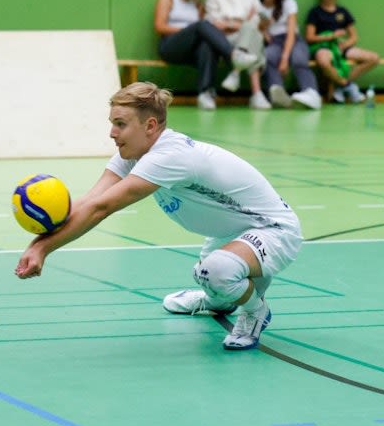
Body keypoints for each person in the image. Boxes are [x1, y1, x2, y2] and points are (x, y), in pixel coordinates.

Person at [15, 81, 302, 350]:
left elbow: (101, 209)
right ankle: (216, 300)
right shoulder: (134, 152)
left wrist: (45, 248)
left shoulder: (170, 157)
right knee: (214, 278)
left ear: (150, 126)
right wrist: (37, 245)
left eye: (120, 124)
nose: (112, 133)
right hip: (232, 232)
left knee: (216, 272)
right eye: (112, 123)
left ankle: (256, 311)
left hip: (273, 230)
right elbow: (92, 199)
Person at [154, 0, 259, 110]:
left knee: (207, 45)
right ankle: (233, 55)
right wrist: (188, 30)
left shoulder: (197, 4)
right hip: (170, 46)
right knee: (202, 25)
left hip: (190, 50)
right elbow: (160, 26)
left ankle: (205, 93)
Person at [204, 0, 269, 109]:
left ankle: (236, 71)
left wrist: (231, 22)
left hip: (246, 37)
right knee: (254, 34)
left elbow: (258, 21)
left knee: (254, 33)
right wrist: (243, 22)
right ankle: (256, 93)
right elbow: (215, 23)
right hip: (224, 40)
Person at [305, 0, 379, 104]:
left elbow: (354, 37)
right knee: (323, 61)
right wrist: (331, 37)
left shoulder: (343, 12)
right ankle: (346, 85)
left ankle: (341, 86)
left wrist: (343, 46)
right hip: (323, 47)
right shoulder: (315, 12)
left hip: (340, 48)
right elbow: (309, 37)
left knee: (373, 58)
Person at [256, 0, 321, 110]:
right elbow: (256, 28)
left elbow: (291, 32)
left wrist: (285, 58)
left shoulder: (288, 2)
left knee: (298, 58)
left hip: (293, 39)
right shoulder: (256, 4)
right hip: (274, 42)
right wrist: (263, 31)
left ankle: (312, 93)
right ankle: (277, 91)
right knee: (266, 57)